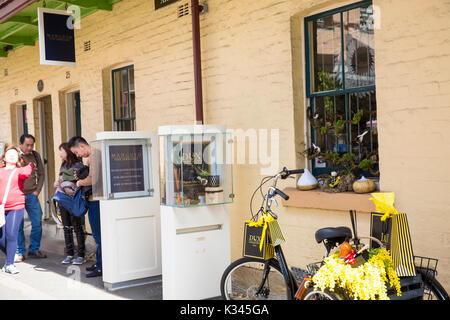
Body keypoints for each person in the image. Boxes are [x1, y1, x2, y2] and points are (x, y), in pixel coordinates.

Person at [68, 136, 102, 278]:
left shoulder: (94, 155)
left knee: (98, 235)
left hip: (96, 199)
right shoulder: (93, 155)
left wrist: (79, 183)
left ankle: (101, 266)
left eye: (76, 152)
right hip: (93, 198)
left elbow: (93, 179)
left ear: (82, 146)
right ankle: (100, 263)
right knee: (96, 234)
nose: (77, 155)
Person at [0, 146, 34, 274]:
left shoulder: (20, 171)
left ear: (19, 157)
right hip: (1, 207)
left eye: (15, 154)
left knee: (11, 234)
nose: (12, 155)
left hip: (16, 206)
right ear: (4, 156)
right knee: (1, 237)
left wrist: (30, 163)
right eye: (9, 153)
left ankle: (9, 264)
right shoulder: (0, 171)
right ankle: (11, 254)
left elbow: (27, 172)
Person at [15, 134, 47, 262]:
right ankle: (19, 252)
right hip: (17, 195)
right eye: (27, 145)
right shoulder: (14, 154)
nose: (30, 147)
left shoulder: (35, 155)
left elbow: (41, 174)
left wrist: (37, 190)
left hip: (31, 195)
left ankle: (34, 249)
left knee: (37, 222)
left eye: (32, 145)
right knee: (18, 225)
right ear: (20, 143)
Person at [54, 143, 86, 265]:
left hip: (73, 200)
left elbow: (77, 178)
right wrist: (57, 182)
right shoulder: (63, 165)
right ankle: (70, 253)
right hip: (62, 200)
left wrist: (61, 180)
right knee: (66, 227)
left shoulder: (78, 165)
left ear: (68, 151)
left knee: (77, 227)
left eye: (61, 151)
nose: (60, 154)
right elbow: (61, 179)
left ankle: (81, 255)